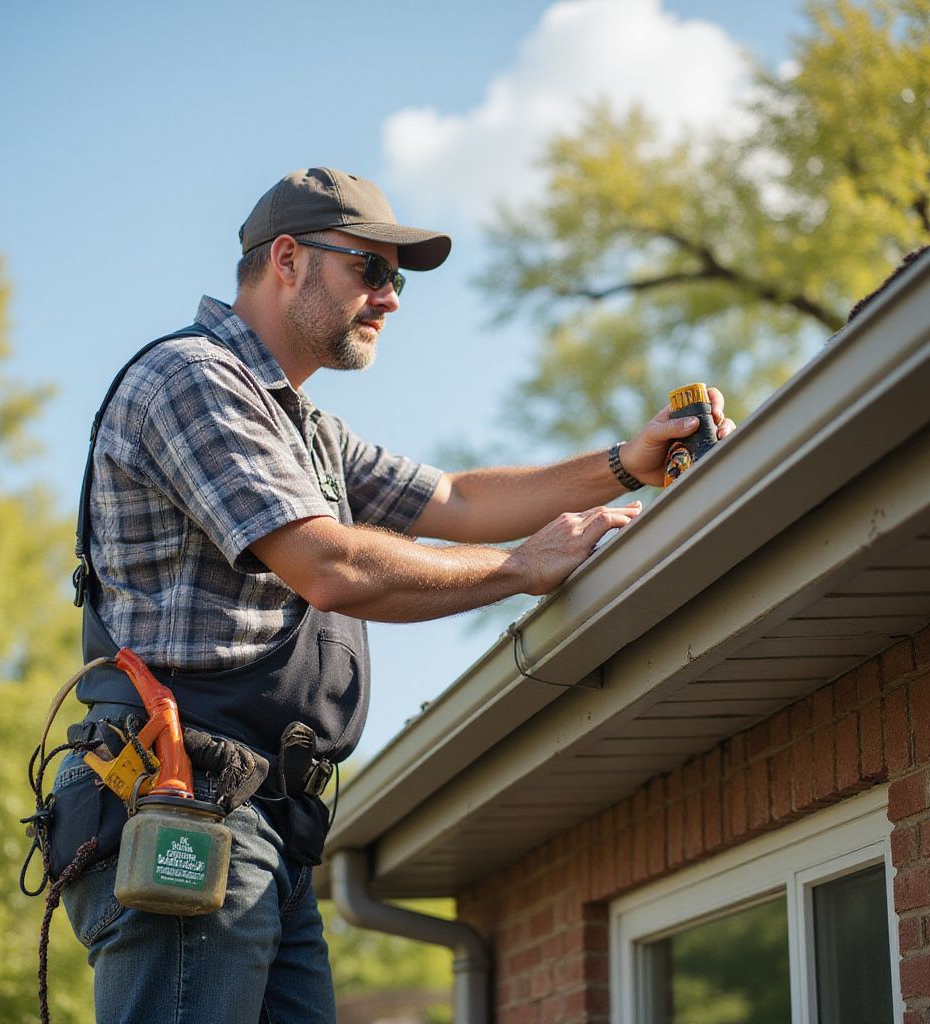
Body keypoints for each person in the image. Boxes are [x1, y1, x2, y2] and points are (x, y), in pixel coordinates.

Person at [53, 166, 734, 1023]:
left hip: (265, 821)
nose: (392, 299)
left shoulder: (306, 430)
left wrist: (622, 465)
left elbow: (459, 501)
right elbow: (327, 566)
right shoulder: (192, 379)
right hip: (184, 800)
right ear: (289, 260)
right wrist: (523, 570)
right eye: (371, 272)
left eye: (397, 279)